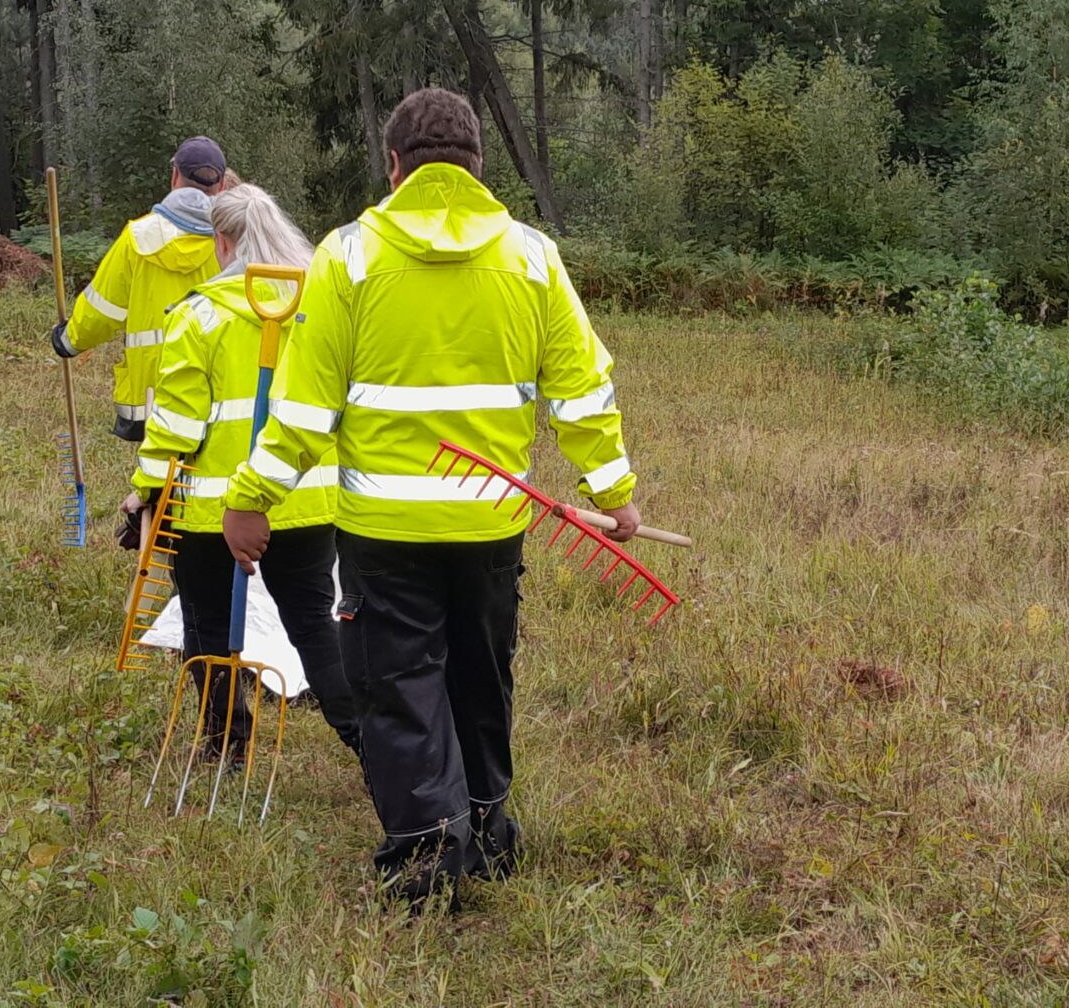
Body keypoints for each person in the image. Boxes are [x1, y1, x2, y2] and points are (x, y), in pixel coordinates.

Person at [222, 89, 641, 910]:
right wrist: (614, 492)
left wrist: (251, 497)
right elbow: (583, 392)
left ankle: (423, 857)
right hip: (490, 526)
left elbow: (304, 408)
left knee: (400, 681)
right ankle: (486, 831)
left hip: (384, 531)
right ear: (478, 165)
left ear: (393, 165)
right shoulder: (532, 257)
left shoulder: (347, 257)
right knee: (482, 673)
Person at [120, 183, 359, 758]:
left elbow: (174, 428)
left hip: (210, 514)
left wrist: (142, 494)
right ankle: (371, 743)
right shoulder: (320, 308)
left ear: (223, 243)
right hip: (305, 505)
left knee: (205, 626)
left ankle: (227, 741)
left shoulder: (199, 317)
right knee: (313, 625)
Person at [51, 137, 228, 441]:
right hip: (220, 391)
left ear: (174, 177)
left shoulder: (137, 237)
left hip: (151, 396)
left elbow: (102, 307)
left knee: (155, 482)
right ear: (221, 186)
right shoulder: (234, 241)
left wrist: (69, 341)